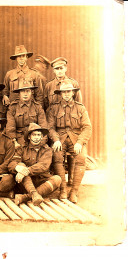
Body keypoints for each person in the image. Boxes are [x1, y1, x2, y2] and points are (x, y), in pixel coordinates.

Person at [47, 80, 92, 203]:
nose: (66, 94)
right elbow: (50, 127)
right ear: (60, 94)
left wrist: (80, 142)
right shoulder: (54, 108)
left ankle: (74, 191)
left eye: (69, 91)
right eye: (64, 92)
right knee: (56, 156)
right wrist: (55, 140)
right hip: (60, 138)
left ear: (73, 93)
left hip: (76, 138)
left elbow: (87, 127)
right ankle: (62, 190)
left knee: (81, 158)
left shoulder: (80, 108)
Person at [44, 57, 84, 187]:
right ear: (53, 71)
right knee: (56, 152)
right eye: (56, 69)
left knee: (73, 153)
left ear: (66, 68)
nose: (59, 71)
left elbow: (78, 104)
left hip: (70, 125)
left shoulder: (73, 83)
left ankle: (71, 177)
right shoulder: (49, 85)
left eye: (61, 68)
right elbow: (45, 104)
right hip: (55, 124)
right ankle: (59, 181)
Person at [9, 123, 61, 206]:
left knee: (57, 179)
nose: (36, 137)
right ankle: (34, 194)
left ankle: (26, 197)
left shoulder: (47, 150)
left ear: (41, 137)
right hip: (25, 183)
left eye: (38, 135)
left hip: (41, 182)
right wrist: (18, 168)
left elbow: (43, 166)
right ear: (29, 137)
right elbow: (11, 163)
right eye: (34, 135)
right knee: (21, 165)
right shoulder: (22, 149)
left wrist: (27, 171)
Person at [5, 78, 47, 148]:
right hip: (19, 138)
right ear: (19, 93)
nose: (25, 94)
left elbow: (43, 126)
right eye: (23, 91)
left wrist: (41, 142)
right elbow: (10, 128)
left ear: (31, 92)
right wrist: (14, 142)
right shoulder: (13, 107)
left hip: (35, 138)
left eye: (28, 91)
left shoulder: (37, 107)